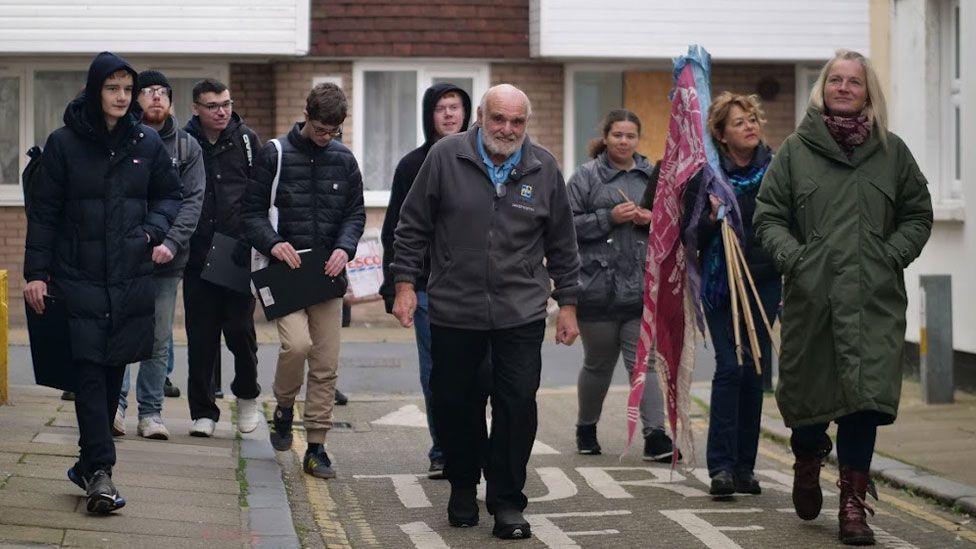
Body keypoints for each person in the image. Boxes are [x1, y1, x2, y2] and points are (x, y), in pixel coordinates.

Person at [754, 49, 932, 545]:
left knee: (864, 403)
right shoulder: (795, 151)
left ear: (868, 91)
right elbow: (769, 216)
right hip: (814, 300)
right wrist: (798, 260)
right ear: (823, 88)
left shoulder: (892, 152)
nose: (845, 87)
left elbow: (918, 213)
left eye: (855, 80)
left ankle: (853, 506)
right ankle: (808, 456)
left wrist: (889, 254)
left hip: (873, 301)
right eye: (836, 79)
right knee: (808, 402)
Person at [392, 84, 580, 541]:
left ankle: (507, 501)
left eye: (517, 122)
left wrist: (570, 303)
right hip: (455, 309)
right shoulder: (445, 158)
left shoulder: (544, 167)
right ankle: (461, 485)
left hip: (521, 311)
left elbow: (562, 242)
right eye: (499, 119)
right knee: (456, 402)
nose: (507, 129)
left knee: (517, 405)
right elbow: (412, 224)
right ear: (481, 116)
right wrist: (403, 285)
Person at [23, 51, 181, 513]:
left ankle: (85, 463)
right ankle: (100, 474)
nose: (121, 97)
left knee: (112, 374)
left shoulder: (146, 144)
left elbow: (170, 195)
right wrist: (36, 274)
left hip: (129, 277)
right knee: (89, 371)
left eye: (127, 89)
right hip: (79, 275)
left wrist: (151, 231)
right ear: (95, 91)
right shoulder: (64, 144)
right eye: (112, 88)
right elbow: (45, 214)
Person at [244, 83, 365, 479]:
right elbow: (251, 213)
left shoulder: (344, 160)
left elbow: (355, 215)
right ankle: (282, 406)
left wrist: (345, 248)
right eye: (319, 128)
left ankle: (316, 446)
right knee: (297, 345)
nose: (325, 136)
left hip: (327, 274)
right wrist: (274, 244)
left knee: (326, 363)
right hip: (285, 272)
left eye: (332, 131)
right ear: (307, 115)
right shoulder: (274, 154)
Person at [684, 93, 781, 496]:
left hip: (763, 281)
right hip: (721, 282)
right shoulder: (707, 177)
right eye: (739, 122)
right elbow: (691, 236)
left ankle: (745, 466)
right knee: (730, 368)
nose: (750, 126)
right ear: (721, 135)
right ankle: (720, 467)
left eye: (752, 119)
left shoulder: (776, 171)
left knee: (755, 371)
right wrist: (710, 217)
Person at [567, 109, 676, 462]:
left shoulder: (654, 176)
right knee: (598, 364)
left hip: (641, 288)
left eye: (630, 136)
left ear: (637, 139)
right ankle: (586, 427)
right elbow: (565, 227)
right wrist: (607, 218)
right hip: (596, 287)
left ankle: (655, 435)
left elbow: (674, 227)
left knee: (642, 364)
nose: (624, 141)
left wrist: (653, 219)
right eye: (617, 135)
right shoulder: (585, 177)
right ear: (606, 137)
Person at [380, 82, 473, 479]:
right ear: (428, 115)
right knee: (435, 371)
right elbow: (395, 230)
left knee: (472, 374)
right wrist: (397, 285)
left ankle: (469, 446)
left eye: (456, 107)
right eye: (441, 108)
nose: (450, 115)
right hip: (428, 287)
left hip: (474, 287)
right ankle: (442, 449)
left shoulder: (482, 161)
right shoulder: (411, 166)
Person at [114, 70, 205, 440]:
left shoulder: (187, 147)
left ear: (170, 101)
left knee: (157, 338)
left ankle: (150, 413)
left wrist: (171, 242)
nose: (155, 97)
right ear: (136, 99)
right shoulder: (121, 140)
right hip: (123, 255)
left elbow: (192, 200)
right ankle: (115, 406)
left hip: (169, 259)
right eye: (148, 91)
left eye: (162, 92)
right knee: (117, 331)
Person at [183, 79, 262, 437]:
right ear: (196, 108)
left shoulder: (247, 141)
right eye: (213, 105)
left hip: (236, 252)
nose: (221, 111)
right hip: (197, 253)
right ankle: (203, 412)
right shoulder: (185, 142)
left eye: (226, 104)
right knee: (201, 337)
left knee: (240, 332)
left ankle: (247, 395)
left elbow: (262, 195)